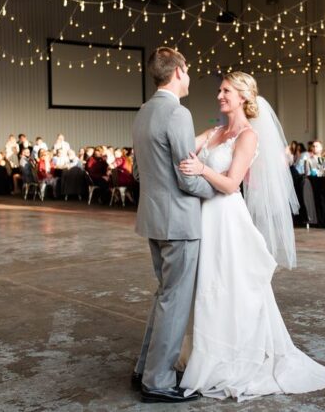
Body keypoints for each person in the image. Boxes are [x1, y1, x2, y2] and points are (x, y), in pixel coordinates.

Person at [178, 71, 325, 400]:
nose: (219, 95)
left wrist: (203, 169)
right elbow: (182, 148)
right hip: (204, 217)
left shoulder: (248, 136)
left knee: (228, 286)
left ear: (242, 97)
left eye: (226, 91)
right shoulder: (214, 132)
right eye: (220, 90)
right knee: (207, 285)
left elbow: (231, 183)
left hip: (227, 217)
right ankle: (203, 351)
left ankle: (230, 355)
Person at [130, 47, 216, 404]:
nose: (191, 75)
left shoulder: (143, 112)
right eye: (189, 69)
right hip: (179, 221)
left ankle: (144, 370)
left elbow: (138, 171)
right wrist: (220, 188)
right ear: (178, 71)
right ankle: (158, 381)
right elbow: (187, 175)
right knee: (175, 301)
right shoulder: (178, 114)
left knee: (165, 297)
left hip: (152, 217)